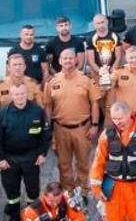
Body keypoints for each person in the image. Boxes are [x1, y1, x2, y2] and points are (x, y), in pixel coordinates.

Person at [0, 82, 50, 221]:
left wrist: (43, 153)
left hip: (31, 158)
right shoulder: (2, 114)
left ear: (27, 94)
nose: (20, 97)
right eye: (16, 94)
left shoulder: (37, 111)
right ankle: (14, 215)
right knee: (11, 189)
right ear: (11, 96)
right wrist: (0, 159)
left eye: (22, 94)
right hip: (10, 159)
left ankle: (33, 215)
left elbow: (45, 134)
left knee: (33, 189)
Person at [42, 49, 103, 193]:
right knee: (64, 164)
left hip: (83, 128)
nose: (68, 61)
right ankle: (69, 191)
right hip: (60, 129)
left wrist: (95, 125)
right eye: (64, 58)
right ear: (59, 61)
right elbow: (48, 106)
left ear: (76, 60)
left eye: (70, 58)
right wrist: (49, 129)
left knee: (83, 163)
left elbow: (95, 103)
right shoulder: (52, 82)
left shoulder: (86, 80)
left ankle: (83, 190)